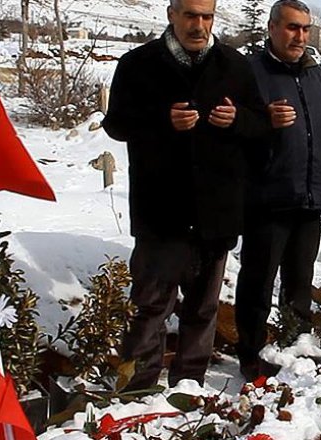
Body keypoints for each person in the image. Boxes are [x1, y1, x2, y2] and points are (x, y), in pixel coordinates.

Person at [102, 0, 269, 390]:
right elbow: (116, 124)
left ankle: (188, 385)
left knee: (203, 308)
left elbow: (261, 124)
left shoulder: (235, 65)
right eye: (190, 15)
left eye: (207, 16)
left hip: (216, 210)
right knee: (150, 307)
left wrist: (239, 120)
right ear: (171, 14)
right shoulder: (138, 64)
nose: (199, 25)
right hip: (162, 209)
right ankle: (139, 387)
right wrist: (162, 120)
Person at [235, 0, 321, 381]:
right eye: (293, 27)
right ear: (273, 28)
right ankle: (251, 354)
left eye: (306, 29)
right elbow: (234, 129)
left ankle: (296, 347)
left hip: (311, 199)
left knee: (299, 283)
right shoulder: (250, 74)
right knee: (257, 283)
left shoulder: (320, 78)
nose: (300, 36)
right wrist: (263, 120)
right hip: (267, 197)